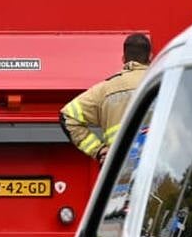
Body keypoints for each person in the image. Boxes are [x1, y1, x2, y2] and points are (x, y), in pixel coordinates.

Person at [61, 32, 152, 163]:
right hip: (156, 165)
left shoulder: (105, 89)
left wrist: (98, 150)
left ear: (123, 58)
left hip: (117, 166)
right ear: (150, 56)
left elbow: (68, 116)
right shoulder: (164, 83)